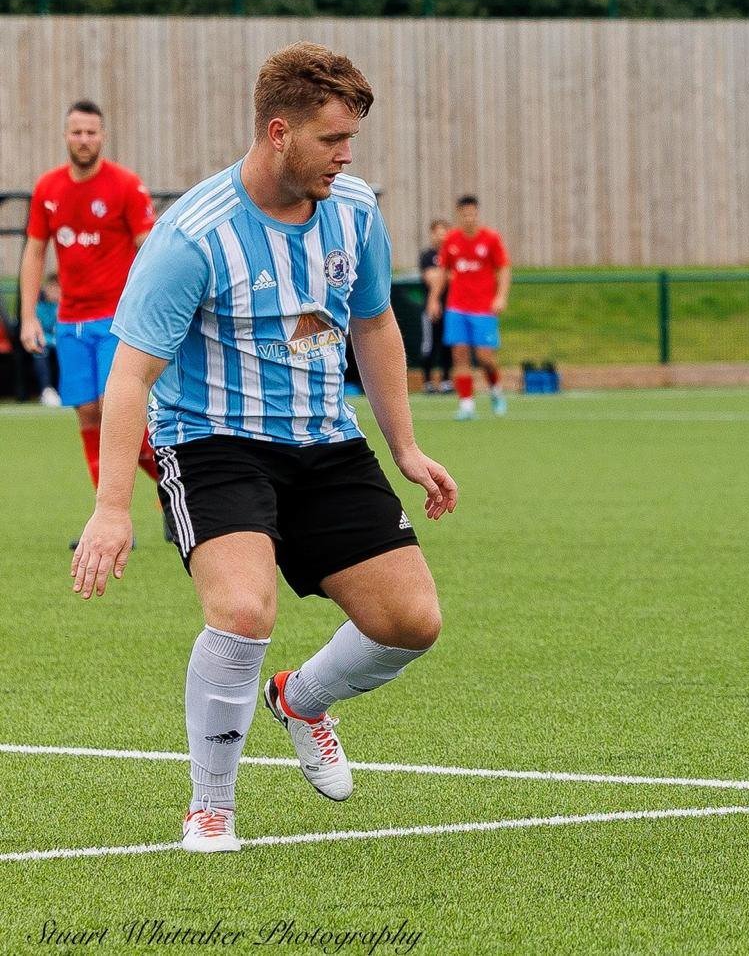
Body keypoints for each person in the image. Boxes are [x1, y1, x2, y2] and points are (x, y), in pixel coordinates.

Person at [70, 42, 458, 854]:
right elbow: (130, 374)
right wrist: (111, 508)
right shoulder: (192, 235)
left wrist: (406, 446)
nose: (346, 156)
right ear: (279, 132)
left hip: (326, 441)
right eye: (331, 139)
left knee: (412, 621)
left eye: (351, 139)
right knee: (244, 611)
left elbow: (374, 323)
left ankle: (302, 700)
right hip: (214, 445)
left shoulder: (355, 211)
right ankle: (210, 807)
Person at [18, 100, 170, 539]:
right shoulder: (48, 188)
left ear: (102, 136)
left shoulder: (125, 185)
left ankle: (169, 491)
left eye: (91, 132)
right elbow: (35, 252)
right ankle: (114, 518)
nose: (84, 139)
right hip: (70, 322)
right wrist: (28, 317)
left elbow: (151, 249)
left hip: (118, 320)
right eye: (77, 132)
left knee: (114, 409)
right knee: (87, 413)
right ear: (66, 136)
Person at [435, 195, 511, 419]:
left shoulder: (490, 239)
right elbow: (443, 271)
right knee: (459, 354)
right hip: (457, 307)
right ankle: (466, 405)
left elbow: (504, 269)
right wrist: (433, 299)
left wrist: (501, 296)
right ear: (459, 215)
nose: (469, 218)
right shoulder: (451, 240)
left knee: (485, 357)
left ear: (477, 214)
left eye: (472, 214)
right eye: (465, 214)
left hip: (483, 308)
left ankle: (495, 391)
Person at [417, 218, 451, 393]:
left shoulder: (452, 254)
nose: (441, 236)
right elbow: (431, 277)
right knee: (429, 344)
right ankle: (428, 382)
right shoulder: (427, 256)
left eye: (444, 232)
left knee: (448, 345)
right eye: (438, 233)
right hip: (430, 308)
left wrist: (444, 275)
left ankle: (446, 381)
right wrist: (445, 275)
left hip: (451, 307)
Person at [34, 274, 63, 406]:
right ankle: (46, 390)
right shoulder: (38, 306)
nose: (55, 292)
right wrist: (49, 340)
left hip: (58, 341)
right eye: (52, 288)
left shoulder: (62, 307)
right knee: (40, 351)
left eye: (57, 289)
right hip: (43, 341)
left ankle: (64, 389)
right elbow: (38, 328)